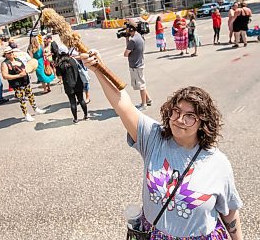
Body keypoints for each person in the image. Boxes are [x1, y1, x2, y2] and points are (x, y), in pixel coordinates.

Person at [81, 52, 243, 239]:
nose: (180, 119)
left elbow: (230, 213)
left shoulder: (218, 163)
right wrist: (98, 69)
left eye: (190, 116)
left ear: (203, 123)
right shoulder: (154, 138)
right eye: (176, 111)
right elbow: (123, 105)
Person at [1, 47, 45, 122]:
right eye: (8, 53)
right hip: (17, 84)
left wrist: (28, 70)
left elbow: (26, 67)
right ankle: (26, 114)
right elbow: (5, 76)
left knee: (31, 95)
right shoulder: (5, 63)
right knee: (22, 100)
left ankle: (35, 108)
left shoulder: (18, 59)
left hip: (25, 81)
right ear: (5, 55)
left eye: (11, 52)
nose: (11, 53)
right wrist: (18, 75)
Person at [55, 46, 88, 124]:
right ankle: (86, 115)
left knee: (72, 102)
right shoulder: (73, 59)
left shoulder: (59, 64)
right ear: (67, 52)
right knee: (81, 99)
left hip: (68, 85)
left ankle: (76, 119)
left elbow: (59, 76)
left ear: (59, 53)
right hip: (78, 82)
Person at [124, 21, 152, 111]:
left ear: (130, 29)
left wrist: (127, 39)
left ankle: (144, 104)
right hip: (139, 63)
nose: (126, 30)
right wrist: (127, 38)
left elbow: (126, 54)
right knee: (141, 82)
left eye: (127, 29)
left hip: (136, 66)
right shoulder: (139, 36)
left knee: (141, 85)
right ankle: (148, 99)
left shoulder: (133, 40)